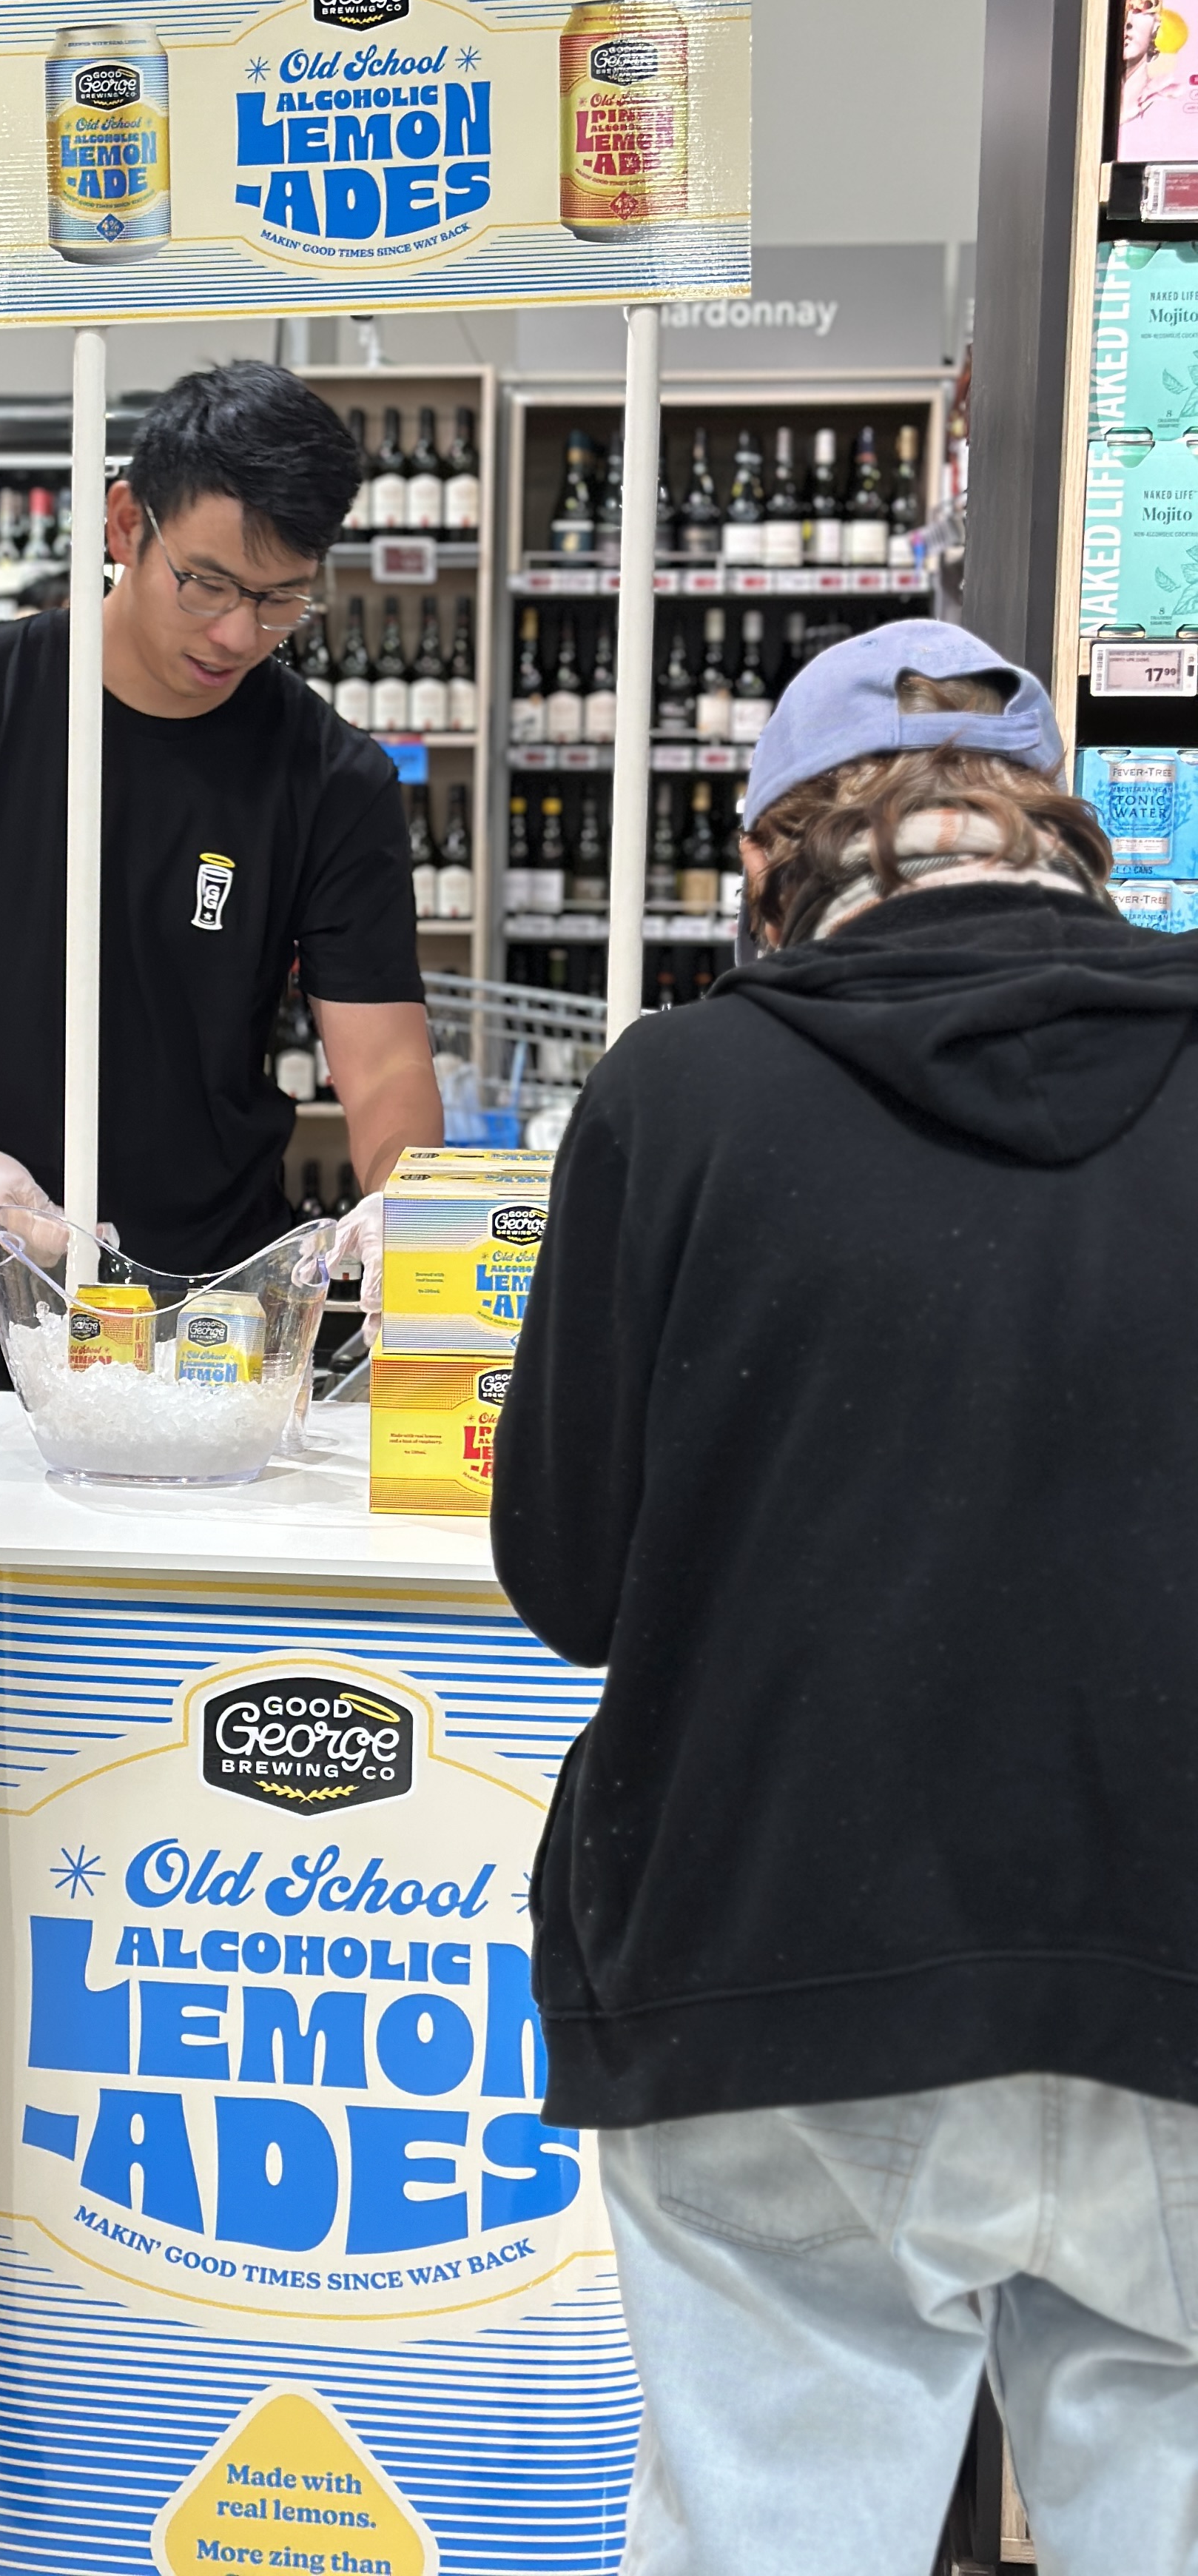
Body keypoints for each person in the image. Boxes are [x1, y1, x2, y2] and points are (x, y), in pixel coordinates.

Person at [0, 361, 442, 2396]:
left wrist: (396, 1218)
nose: (239, 632)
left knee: (184, 1746)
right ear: (124, 526)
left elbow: (386, 1068)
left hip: (214, 1322)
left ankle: (151, 2188)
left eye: (285, 602)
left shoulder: (324, 777)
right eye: (212, 583)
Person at [492, 618, 1198, 2573]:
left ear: (768, 862)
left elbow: (568, 1576)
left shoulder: (681, 1092)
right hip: (1173, 1960)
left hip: (773, 1956)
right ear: (1061, 830)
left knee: (775, 2526)